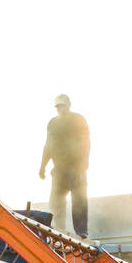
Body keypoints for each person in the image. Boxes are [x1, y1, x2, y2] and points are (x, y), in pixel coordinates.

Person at [39, 94, 90, 236]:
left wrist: (84, 162)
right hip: (59, 168)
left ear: (68, 105)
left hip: (76, 166)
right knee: (56, 199)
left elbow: (86, 141)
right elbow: (48, 145)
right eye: (58, 106)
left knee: (79, 199)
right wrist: (42, 166)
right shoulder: (52, 123)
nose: (60, 109)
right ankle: (58, 227)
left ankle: (81, 232)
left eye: (63, 105)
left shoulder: (78, 119)